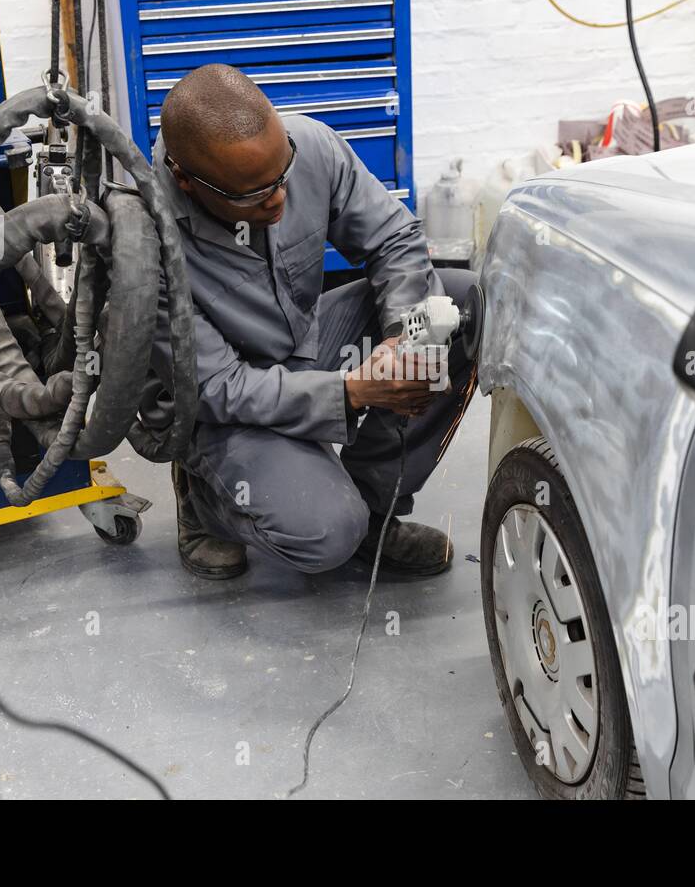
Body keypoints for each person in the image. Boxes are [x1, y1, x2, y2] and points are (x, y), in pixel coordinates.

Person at [151, 63, 476, 580]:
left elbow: (393, 239)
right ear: (185, 181)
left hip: (306, 347)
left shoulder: (311, 145)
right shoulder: (144, 241)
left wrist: (401, 338)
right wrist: (351, 391)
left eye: (282, 175)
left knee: (458, 307)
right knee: (326, 535)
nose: (279, 199)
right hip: (224, 406)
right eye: (252, 194)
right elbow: (216, 386)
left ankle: (375, 511)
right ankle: (207, 500)